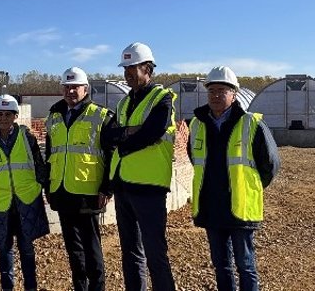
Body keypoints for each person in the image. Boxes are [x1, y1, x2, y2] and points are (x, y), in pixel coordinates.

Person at [187, 66, 280, 291]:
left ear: (234, 94)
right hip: (211, 207)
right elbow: (194, 158)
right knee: (221, 266)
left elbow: (270, 164)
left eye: (222, 90)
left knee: (245, 265)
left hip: (240, 207)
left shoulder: (251, 123)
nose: (216, 95)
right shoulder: (197, 124)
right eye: (212, 91)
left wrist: (250, 187)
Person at [108, 42, 177, 291]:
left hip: (149, 187)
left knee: (155, 252)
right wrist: (130, 132)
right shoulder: (124, 103)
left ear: (147, 68)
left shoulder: (162, 98)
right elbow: (108, 134)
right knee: (130, 252)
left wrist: (124, 140)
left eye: (132, 68)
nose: (127, 73)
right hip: (124, 185)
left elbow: (153, 131)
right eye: (125, 68)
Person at [44, 66, 116, 291]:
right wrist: (48, 186)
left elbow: (112, 155)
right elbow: (50, 154)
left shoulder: (101, 116)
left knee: (92, 248)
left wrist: (106, 188)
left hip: (88, 192)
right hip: (63, 191)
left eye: (75, 87)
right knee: (73, 250)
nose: (71, 91)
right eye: (67, 87)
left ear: (86, 89)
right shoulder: (54, 116)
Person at [0, 94, 49, 291]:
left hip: (25, 201)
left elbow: (39, 166)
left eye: (8, 114)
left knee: (27, 250)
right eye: (0, 114)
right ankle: (7, 287)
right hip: (0, 203)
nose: (4, 118)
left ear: (15, 116)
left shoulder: (27, 138)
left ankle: (31, 287)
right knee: (4, 251)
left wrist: (43, 192)